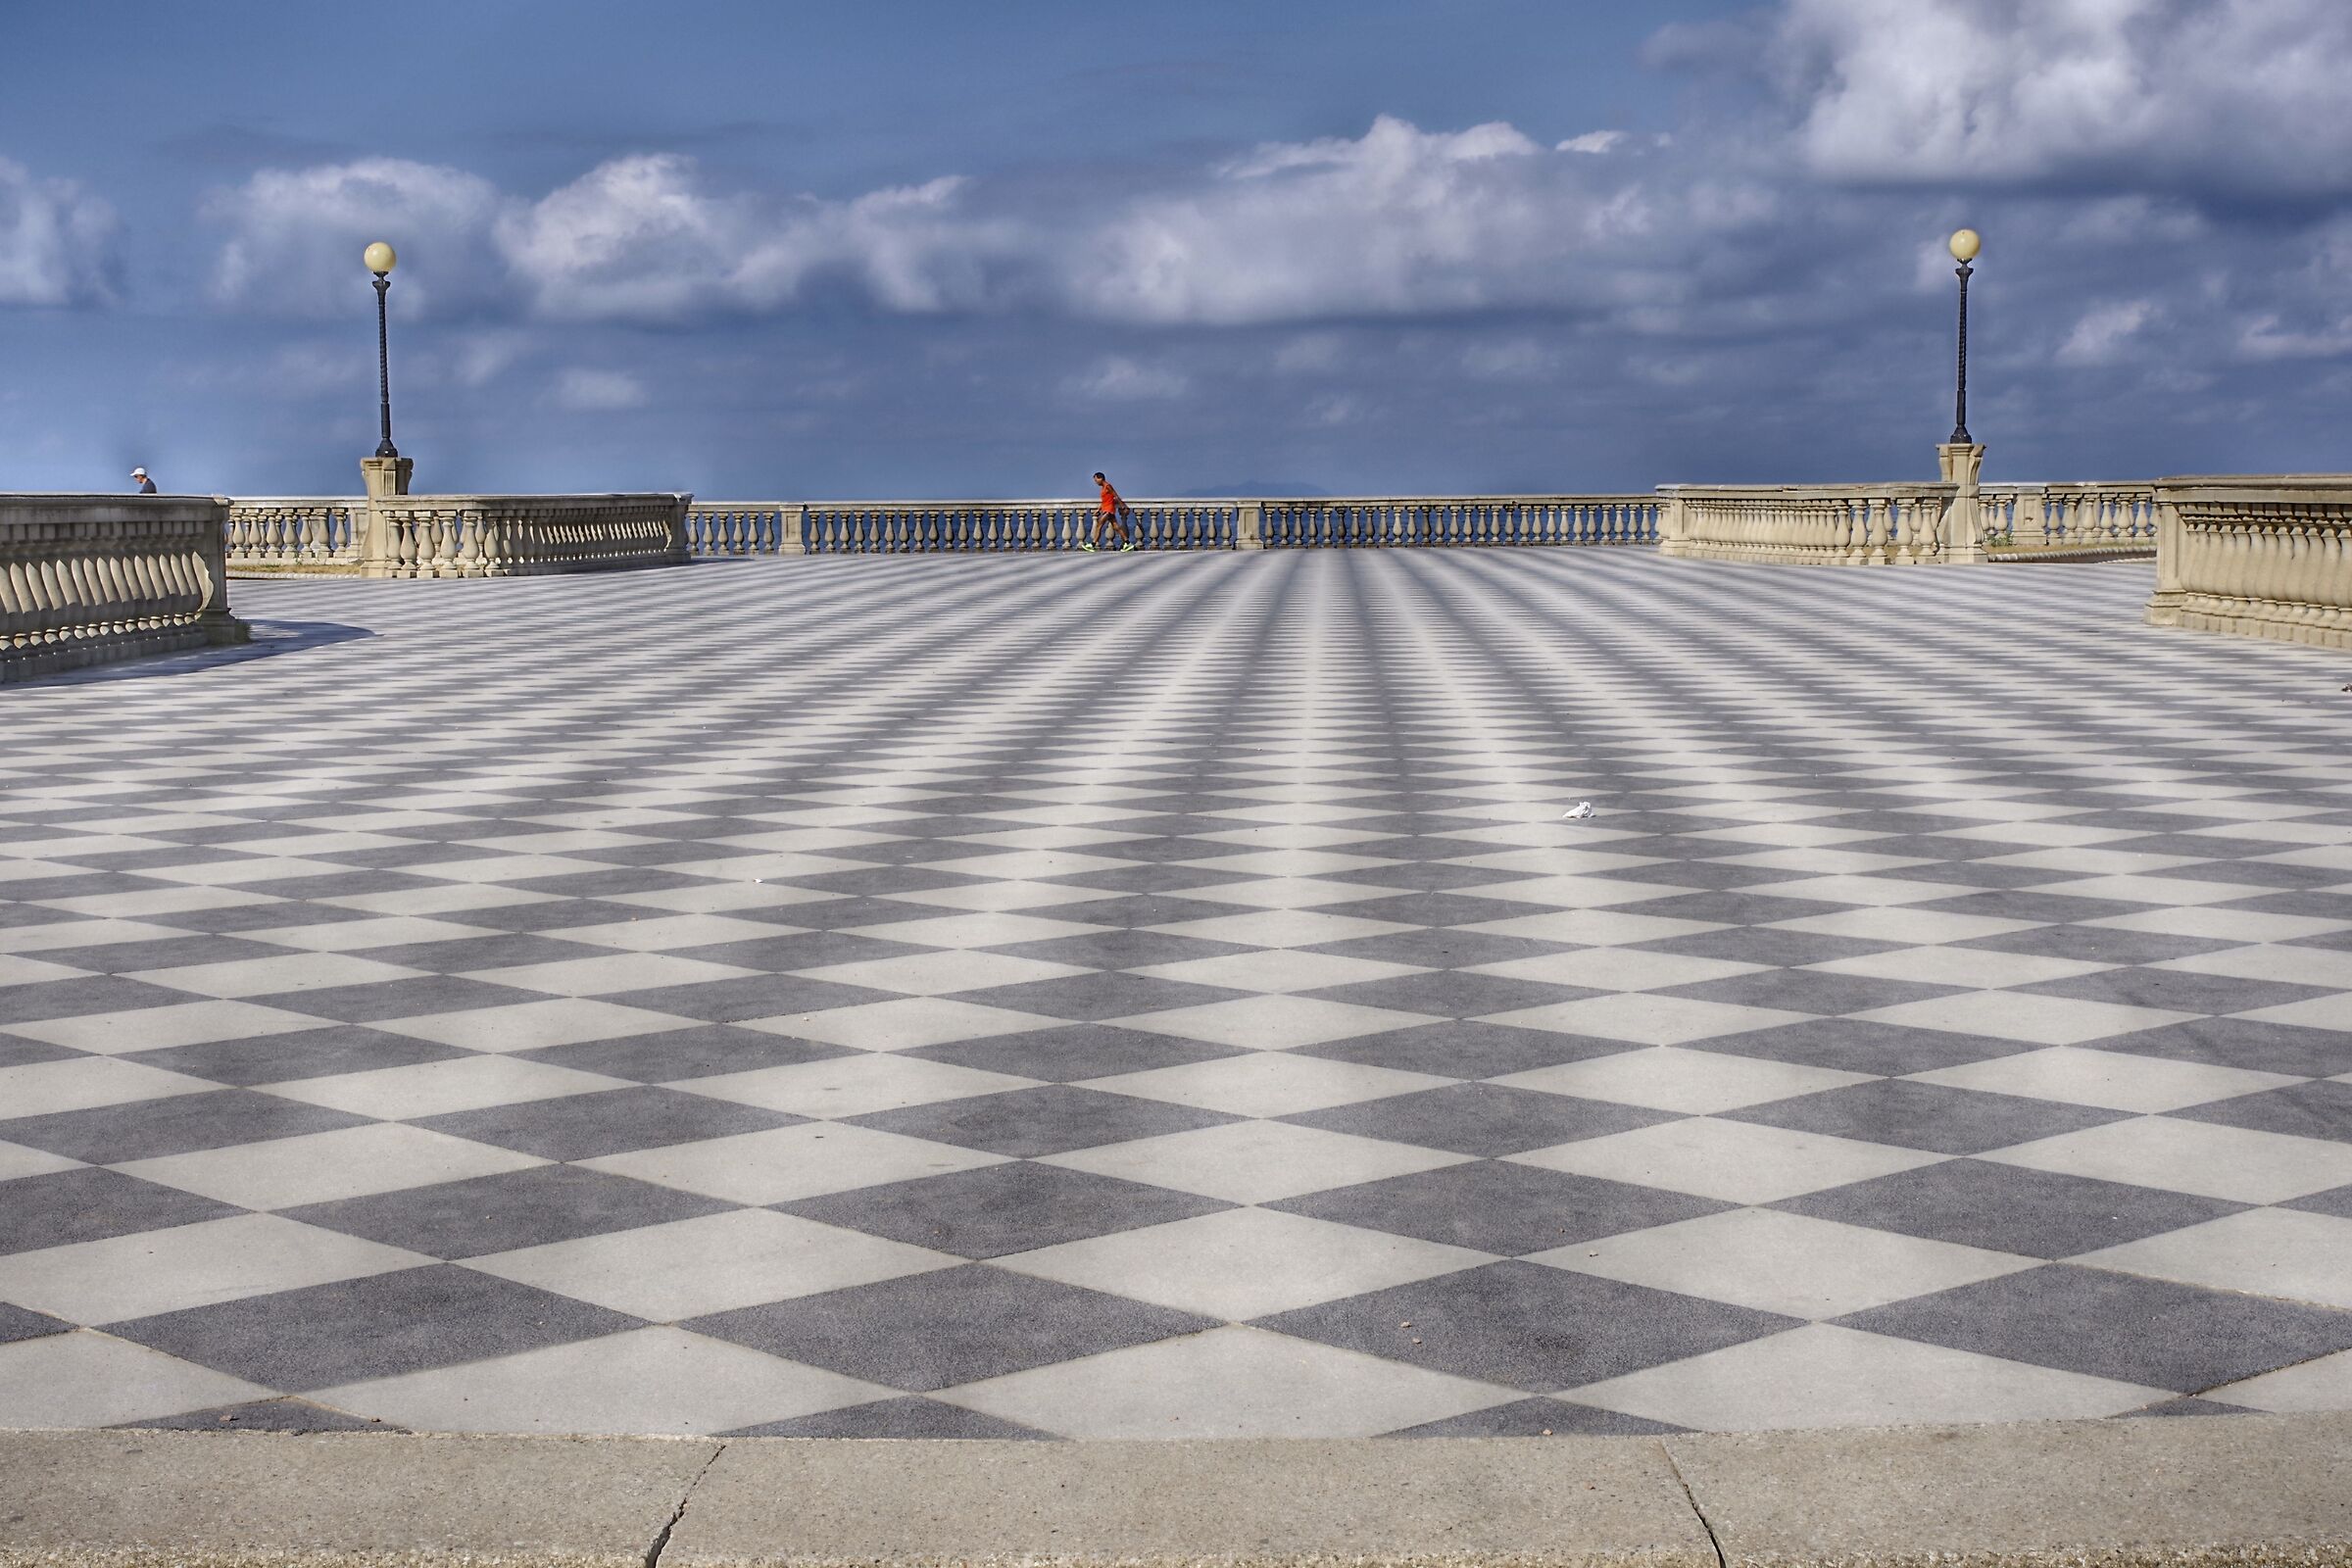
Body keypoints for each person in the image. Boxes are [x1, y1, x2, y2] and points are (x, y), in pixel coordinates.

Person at [1085, 470, 1135, 552]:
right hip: (1106, 508)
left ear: (1100, 478)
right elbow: (1105, 500)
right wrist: (1098, 509)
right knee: (1116, 527)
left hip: (1108, 510)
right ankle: (1128, 543)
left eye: (1096, 480)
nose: (1095, 482)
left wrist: (1123, 506)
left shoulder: (1108, 486)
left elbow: (1116, 495)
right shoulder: (1103, 488)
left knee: (1099, 525)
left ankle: (1092, 545)